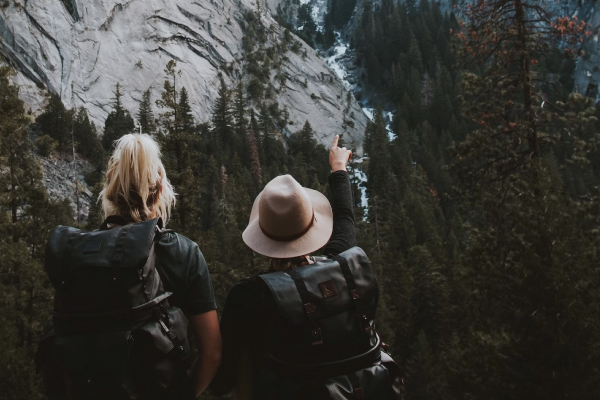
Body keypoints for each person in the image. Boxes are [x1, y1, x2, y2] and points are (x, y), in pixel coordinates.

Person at [211, 135, 401, 399]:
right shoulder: (343, 268)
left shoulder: (250, 296)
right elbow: (345, 218)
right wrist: (339, 168)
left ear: (262, 236)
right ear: (312, 226)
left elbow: (224, 378)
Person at [38, 134, 221, 399]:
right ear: (159, 190)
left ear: (109, 189)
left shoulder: (82, 255)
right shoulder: (183, 252)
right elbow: (212, 352)